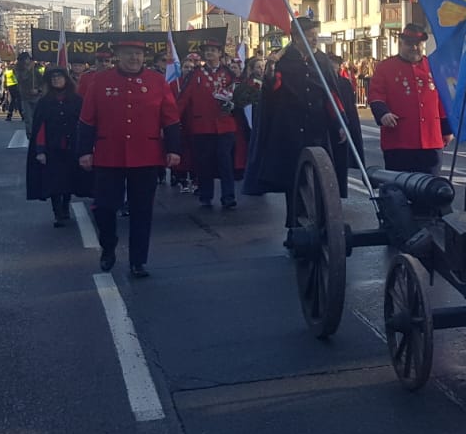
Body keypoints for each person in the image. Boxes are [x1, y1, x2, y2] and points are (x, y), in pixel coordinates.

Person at [77, 41, 182, 277]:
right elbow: (86, 119)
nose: (134, 58)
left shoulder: (157, 81)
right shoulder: (100, 81)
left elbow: (171, 118)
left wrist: (174, 149)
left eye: (138, 54)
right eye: (128, 54)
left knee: (141, 210)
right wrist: (84, 151)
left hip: (146, 154)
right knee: (104, 207)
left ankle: (138, 261)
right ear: (118, 56)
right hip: (109, 154)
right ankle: (109, 244)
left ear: (144, 57)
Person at [245, 18, 360, 199]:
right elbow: (273, 89)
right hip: (290, 128)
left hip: (317, 127)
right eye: (310, 36)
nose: (315, 39)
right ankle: (295, 215)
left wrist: (340, 123)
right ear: (297, 38)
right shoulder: (282, 60)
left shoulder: (321, 60)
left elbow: (331, 95)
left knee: (321, 176)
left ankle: (321, 214)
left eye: (316, 35)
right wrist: (271, 70)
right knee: (293, 179)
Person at [368, 24, 451, 175]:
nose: (414, 48)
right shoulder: (385, 67)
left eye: (418, 44)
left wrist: (446, 129)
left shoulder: (434, 66)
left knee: (431, 186)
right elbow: (376, 94)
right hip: (400, 140)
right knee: (401, 185)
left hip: (431, 140)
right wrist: (383, 113)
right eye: (409, 44)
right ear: (401, 43)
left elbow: (442, 100)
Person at [178, 40, 240, 209]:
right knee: (204, 162)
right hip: (202, 126)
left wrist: (234, 105)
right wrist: (173, 120)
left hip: (225, 125)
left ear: (220, 53)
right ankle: (206, 194)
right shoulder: (195, 74)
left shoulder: (228, 73)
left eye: (213, 50)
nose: (209, 53)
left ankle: (228, 196)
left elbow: (238, 95)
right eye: (207, 51)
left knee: (225, 161)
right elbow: (183, 98)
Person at [28, 68, 89, 227]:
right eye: (53, 77)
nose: (56, 79)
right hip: (52, 149)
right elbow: (40, 127)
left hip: (71, 147)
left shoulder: (76, 100)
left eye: (59, 76)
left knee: (68, 180)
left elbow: (84, 123)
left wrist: (85, 146)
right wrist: (40, 150)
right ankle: (58, 213)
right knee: (54, 182)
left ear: (66, 79)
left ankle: (65, 206)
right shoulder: (44, 102)